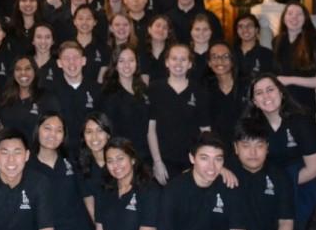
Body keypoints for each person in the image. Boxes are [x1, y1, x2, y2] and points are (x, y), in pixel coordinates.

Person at [148, 44, 211, 184]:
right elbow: (150, 129)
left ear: (189, 64)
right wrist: (157, 162)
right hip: (164, 162)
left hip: (191, 162)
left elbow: (205, 131)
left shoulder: (199, 91)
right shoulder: (154, 89)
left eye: (183, 59)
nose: (178, 63)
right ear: (166, 62)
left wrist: (201, 162)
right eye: (174, 58)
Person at [271, 1, 316, 113]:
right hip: (279, 103)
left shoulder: (314, 41)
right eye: (290, 13)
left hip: (303, 104)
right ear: (284, 18)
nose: (294, 17)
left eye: (299, 14)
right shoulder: (277, 41)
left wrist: (290, 80)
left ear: (305, 19)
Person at [51, 41, 103, 161]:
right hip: (61, 154)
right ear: (59, 63)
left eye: (75, 58)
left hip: (91, 154)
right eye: (66, 58)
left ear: (83, 61)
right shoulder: (50, 92)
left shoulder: (97, 90)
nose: (71, 62)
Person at [102, 45, 151, 162]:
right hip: (121, 157)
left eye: (131, 60)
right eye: (121, 61)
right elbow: (107, 131)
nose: (127, 65)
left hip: (145, 155)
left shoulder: (143, 89)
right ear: (115, 65)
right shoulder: (108, 93)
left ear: (137, 63)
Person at [0, 55, 59, 140]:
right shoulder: (5, 98)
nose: (23, 73)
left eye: (28, 69)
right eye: (18, 69)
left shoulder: (47, 98)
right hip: (11, 151)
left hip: (37, 152)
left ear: (35, 71)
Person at [208, 41, 248, 146]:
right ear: (209, 63)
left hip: (245, 146)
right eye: (215, 57)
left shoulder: (247, 86)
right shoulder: (206, 90)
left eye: (225, 56)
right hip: (217, 149)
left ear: (232, 61)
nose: (220, 61)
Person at [79, 112, 113, 219]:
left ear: (108, 134)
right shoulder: (81, 166)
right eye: (89, 132)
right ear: (83, 136)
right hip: (100, 226)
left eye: (100, 130)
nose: (94, 137)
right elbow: (90, 205)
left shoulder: (119, 162)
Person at [233, 14, 274, 84]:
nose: (245, 29)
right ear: (237, 31)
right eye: (240, 26)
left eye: (249, 26)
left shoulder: (267, 54)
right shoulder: (230, 53)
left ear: (256, 29)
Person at [139, 13, 172, 82]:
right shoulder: (141, 51)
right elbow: (144, 79)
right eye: (158, 26)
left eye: (165, 28)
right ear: (149, 29)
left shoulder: (173, 53)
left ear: (168, 33)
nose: (161, 29)